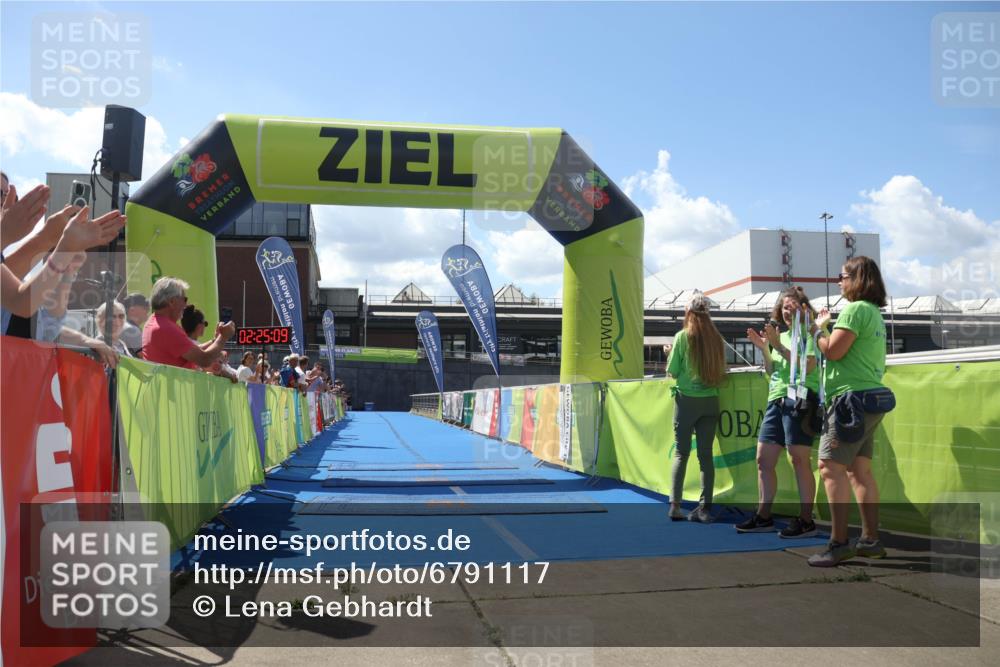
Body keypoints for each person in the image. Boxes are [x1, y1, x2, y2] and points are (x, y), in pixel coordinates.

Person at [807, 256, 891, 567]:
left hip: (849, 401)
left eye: (841, 276)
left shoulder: (855, 310)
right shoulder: (873, 313)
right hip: (869, 400)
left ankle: (838, 543)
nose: (838, 282)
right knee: (860, 471)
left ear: (855, 279)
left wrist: (818, 330)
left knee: (830, 468)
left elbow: (833, 350)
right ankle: (870, 540)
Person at [738, 286, 820, 538]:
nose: (787, 311)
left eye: (793, 306)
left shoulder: (811, 333)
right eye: (784, 307)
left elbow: (809, 366)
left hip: (801, 399)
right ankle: (764, 516)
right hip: (776, 399)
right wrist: (764, 348)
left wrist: (776, 345)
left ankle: (806, 519)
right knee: (763, 460)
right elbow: (771, 371)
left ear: (804, 308)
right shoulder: (780, 336)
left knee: (798, 459)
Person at [666, 292, 726, 523]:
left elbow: (673, 371)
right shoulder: (716, 339)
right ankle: (704, 508)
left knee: (681, 453)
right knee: (706, 457)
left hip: (686, 401)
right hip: (710, 401)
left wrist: (670, 353)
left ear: (688, 312)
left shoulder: (682, 337)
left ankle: (675, 505)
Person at [142, 277, 234, 369]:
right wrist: (223, 337)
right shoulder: (167, 328)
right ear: (171, 301)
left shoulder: (153, 322)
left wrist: (215, 340)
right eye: (184, 299)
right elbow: (204, 359)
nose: (185, 305)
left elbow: (191, 350)